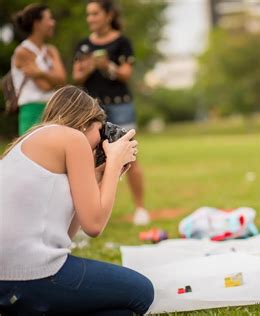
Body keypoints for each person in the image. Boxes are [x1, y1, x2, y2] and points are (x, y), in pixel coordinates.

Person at [0, 86, 154, 315]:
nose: (98, 143)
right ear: (85, 122)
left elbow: (66, 236)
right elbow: (94, 225)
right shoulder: (72, 137)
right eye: (100, 132)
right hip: (31, 275)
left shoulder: (37, 140)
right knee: (142, 292)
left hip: (8, 282)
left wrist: (99, 176)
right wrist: (113, 163)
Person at [73, 0, 150, 225]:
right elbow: (76, 77)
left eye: (95, 14)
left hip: (120, 104)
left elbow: (126, 74)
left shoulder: (122, 42)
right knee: (86, 158)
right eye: (88, 15)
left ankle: (140, 209)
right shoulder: (83, 45)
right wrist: (89, 67)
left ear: (108, 15)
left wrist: (108, 66)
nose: (90, 19)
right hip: (92, 110)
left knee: (130, 155)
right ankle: (84, 212)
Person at [11, 3, 66, 136]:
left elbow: (62, 79)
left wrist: (41, 73)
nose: (53, 23)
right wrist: (53, 75)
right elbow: (45, 86)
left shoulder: (51, 50)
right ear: (37, 23)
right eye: (49, 19)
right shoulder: (23, 52)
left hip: (51, 109)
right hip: (32, 110)